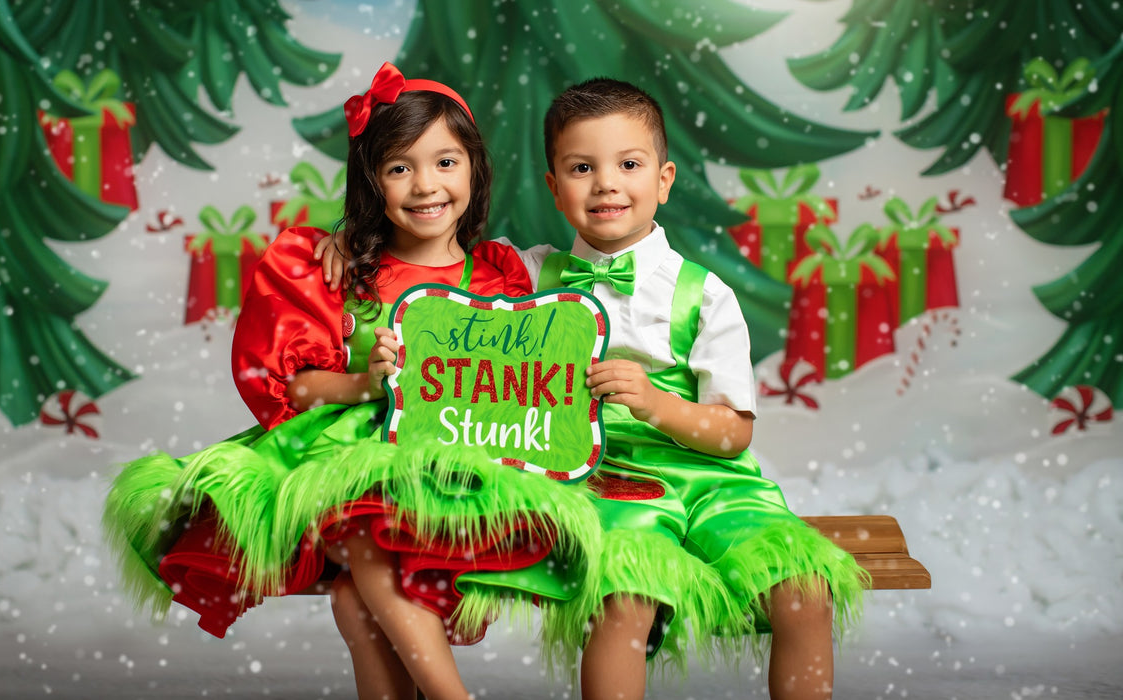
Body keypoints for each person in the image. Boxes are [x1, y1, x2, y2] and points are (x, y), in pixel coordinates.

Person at [102, 63, 601, 700]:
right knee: (366, 523)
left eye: (446, 162)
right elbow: (295, 386)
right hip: (353, 461)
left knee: (353, 601)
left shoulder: (503, 273)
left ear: (475, 169)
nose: (426, 185)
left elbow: (543, 361)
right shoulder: (338, 271)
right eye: (399, 168)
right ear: (371, 180)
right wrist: (367, 383)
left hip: (461, 466)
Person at [518, 78, 868, 700]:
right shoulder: (525, 273)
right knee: (627, 593)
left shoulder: (704, 294)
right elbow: (427, 262)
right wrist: (346, 242)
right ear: (554, 185)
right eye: (581, 167)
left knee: (803, 589)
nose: (605, 184)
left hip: (711, 479)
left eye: (629, 164)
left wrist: (657, 404)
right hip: (601, 478)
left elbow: (733, 434)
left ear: (664, 180)